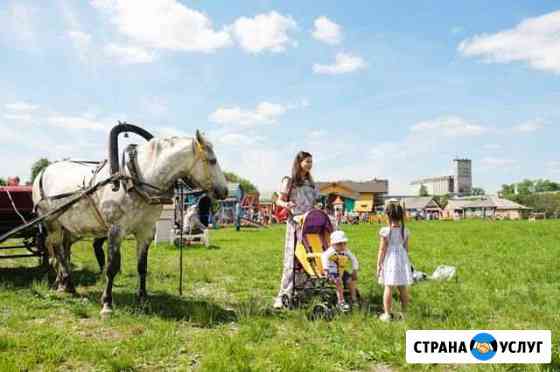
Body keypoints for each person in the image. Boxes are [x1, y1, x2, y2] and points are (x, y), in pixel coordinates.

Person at [273, 151, 319, 309]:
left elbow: (316, 201)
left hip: (310, 224)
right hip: (295, 223)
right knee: (292, 259)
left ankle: (305, 291)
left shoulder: (311, 183)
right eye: (307, 161)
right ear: (299, 162)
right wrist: (286, 205)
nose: (310, 164)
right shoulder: (290, 181)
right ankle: (286, 293)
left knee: (309, 257)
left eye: (311, 162)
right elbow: (278, 200)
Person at [376, 200, 413, 321]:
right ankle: (405, 313)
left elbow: (382, 250)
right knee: (403, 287)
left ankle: (387, 314)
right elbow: (406, 249)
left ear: (388, 216)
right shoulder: (405, 231)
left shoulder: (385, 231)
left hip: (390, 260)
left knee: (388, 286)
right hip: (402, 259)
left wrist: (379, 264)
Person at [321, 230, 359, 311]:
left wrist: (354, 270)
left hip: (341, 271)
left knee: (351, 280)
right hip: (332, 272)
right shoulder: (330, 252)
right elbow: (324, 257)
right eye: (339, 244)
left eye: (344, 243)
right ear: (332, 244)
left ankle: (354, 299)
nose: (342, 246)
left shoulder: (345, 250)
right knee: (339, 281)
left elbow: (353, 259)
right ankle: (341, 302)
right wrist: (326, 270)